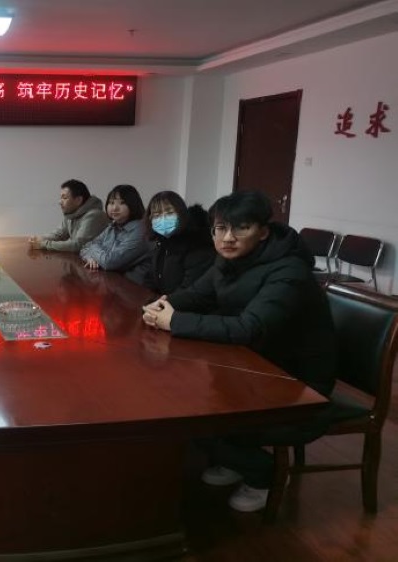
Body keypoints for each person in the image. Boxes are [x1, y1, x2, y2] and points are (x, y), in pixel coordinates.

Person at [141, 190, 336, 513]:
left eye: (241, 228)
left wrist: (174, 321)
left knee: (189, 416)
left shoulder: (289, 271)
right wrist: (161, 305)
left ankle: (266, 474)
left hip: (295, 383)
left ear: (263, 232)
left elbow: (249, 328)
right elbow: (197, 294)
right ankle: (235, 459)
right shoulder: (229, 260)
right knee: (176, 397)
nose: (228, 238)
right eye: (220, 229)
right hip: (252, 364)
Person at [141, 190, 215, 294]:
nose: (163, 219)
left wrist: (161, 302)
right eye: (157, 215)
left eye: (169, 213)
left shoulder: (197, 245)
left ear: (182, 214)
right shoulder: (162, 242)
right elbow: (150, 279)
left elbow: (189, 291)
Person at [79, 184, 151, 282]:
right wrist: (90, 258)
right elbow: (84, 248)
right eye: (111, 203)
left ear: (133, 205)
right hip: (112, 281)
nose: (114, 208)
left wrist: (93, 248)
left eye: (122, 203)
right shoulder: (113, 226)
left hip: (134, 286)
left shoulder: (140, 230)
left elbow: (109, 262)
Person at [29, 179, 109, 252]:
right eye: (61, 198)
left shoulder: (94, 215)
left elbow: (78, 245)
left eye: (64, 198)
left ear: (78, 200)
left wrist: (44, 244)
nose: (60, 202)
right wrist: (40, 239)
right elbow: (59, 234)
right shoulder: (71, 213)